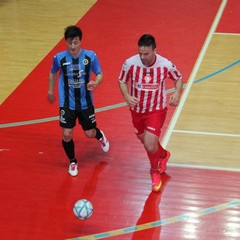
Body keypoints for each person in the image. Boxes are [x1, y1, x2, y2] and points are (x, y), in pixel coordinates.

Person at [118, 34, 182, 192]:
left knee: (149, 143)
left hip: (156, 110)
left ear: (155, 51)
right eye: (140, 53)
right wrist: (126, 96)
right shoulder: (130, 63)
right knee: (145, 140)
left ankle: (154, 173)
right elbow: (121, 80)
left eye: (146, 54)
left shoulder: (165, 64)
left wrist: (177, 92)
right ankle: (163, 155)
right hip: (137, 111)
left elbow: (178, 78)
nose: (142, 57)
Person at [47, 25, 109, 177]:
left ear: (81, 41)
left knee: (89, 133)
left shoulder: (90, 57)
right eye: (69, 43)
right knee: (67, 134)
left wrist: (96, 82)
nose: (72, 46)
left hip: (85, 102)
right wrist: (50, 91)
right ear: (66, 42)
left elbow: (100, 73)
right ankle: (73, 161)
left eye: (75, 42)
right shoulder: (59, 58)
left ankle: (99, 135)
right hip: (66, 103)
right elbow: (53, 73)